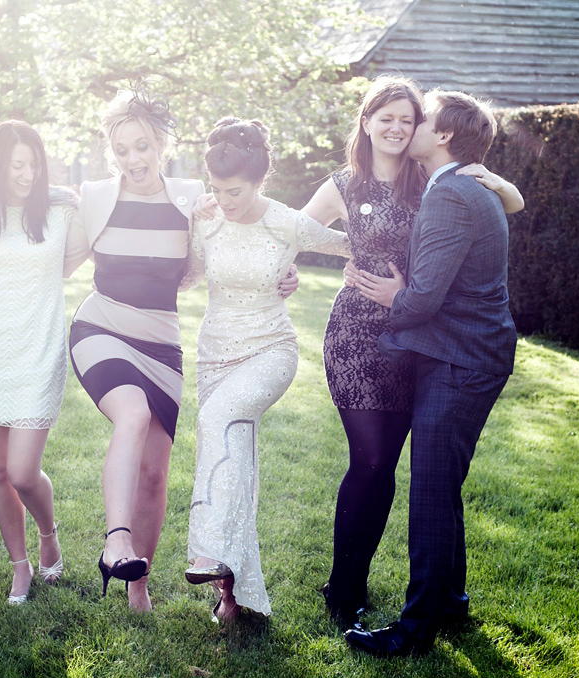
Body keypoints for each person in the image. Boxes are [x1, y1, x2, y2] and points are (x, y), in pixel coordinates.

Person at [300, 76, 524, 630]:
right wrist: (293, 269)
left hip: (419, 343)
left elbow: (508, 204)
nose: (400, 128)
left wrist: (491, 174)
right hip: (358, 336)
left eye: (409, 118)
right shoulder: (344, 184)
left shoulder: (430, 177)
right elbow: (294, 232)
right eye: (389, 118)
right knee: (371, 461)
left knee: (398, 472)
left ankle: (403, 594)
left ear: (425, 130)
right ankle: (344, 586)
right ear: (367, 122)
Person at [68, 88, 299, 612]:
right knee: (131, 414)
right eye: (122, 149)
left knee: (155, 473)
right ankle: (116, 539)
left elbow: (254, 227)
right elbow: (57, 254)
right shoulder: (95, 197)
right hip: (100, 326)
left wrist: (283, 271)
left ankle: (137, 585)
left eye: (143, 146)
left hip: (161, 343)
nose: (133, 159)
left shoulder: (194, 197)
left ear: (163, 145)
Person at [183, 118, 351, 622]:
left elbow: (350, 246)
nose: (224, 200)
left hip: (269, 352)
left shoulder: (285, 222)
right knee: (238, 461)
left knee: (218, 424)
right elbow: (189, 276)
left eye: (233, 191)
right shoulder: (207, 218)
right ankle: (236, 596)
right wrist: (187, 220)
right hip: (214, 354)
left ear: (259, 181)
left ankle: (210, 551)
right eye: (216, 189)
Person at [0, 121, 89, 605]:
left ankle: (49, 535)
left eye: (34, 163)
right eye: (17, 164)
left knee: (21, 471)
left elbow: (87, 253)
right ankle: (20, 565)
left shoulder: (60, 210)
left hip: (38, 349)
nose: (27, 173)